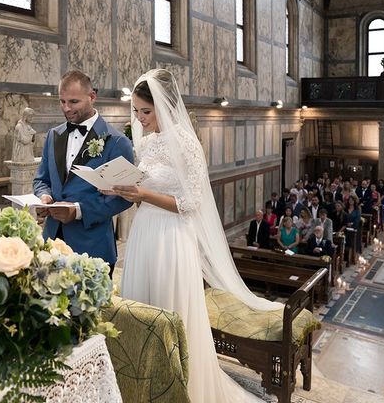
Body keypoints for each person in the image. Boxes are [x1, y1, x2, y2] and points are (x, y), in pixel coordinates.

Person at [115, 69, 283, 403]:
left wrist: (143, 195)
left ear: (164, 106)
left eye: (145, 111)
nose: (139, 118)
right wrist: (123, 190)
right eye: (135, 111)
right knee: (141, 307)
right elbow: (143, 186)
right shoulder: (146, 144)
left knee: (168, 306)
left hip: (172, 237)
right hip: (145, 231)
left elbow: (191, 202)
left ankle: (178, 388)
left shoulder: (187, 144)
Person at [33, 70, 134, 273]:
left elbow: (124, 197)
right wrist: (44, 197)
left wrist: (78, 211)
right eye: (62, 101)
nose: (66, 109)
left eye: (73, 102)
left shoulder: (116, 142)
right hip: (51, 245)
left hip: (93, 248)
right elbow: (41, 179)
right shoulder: (54, 135)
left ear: (92, 97)